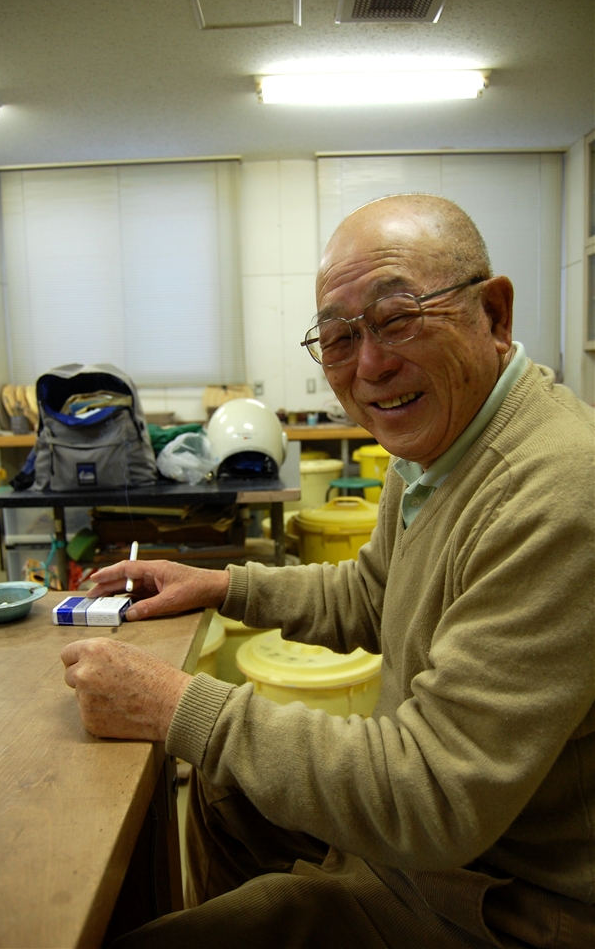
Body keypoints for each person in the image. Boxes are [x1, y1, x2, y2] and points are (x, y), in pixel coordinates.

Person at [61, 194, 595, 948]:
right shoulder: (438, 449)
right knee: (226, 789)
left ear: (495, 313)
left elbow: (435, 793)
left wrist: (177, 704)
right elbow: (375, 592)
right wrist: (223, 584)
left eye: (399, 315)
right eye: (339, 337)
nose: (371, 364)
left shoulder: (557, 490)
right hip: (438, 858)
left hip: (502, 905)